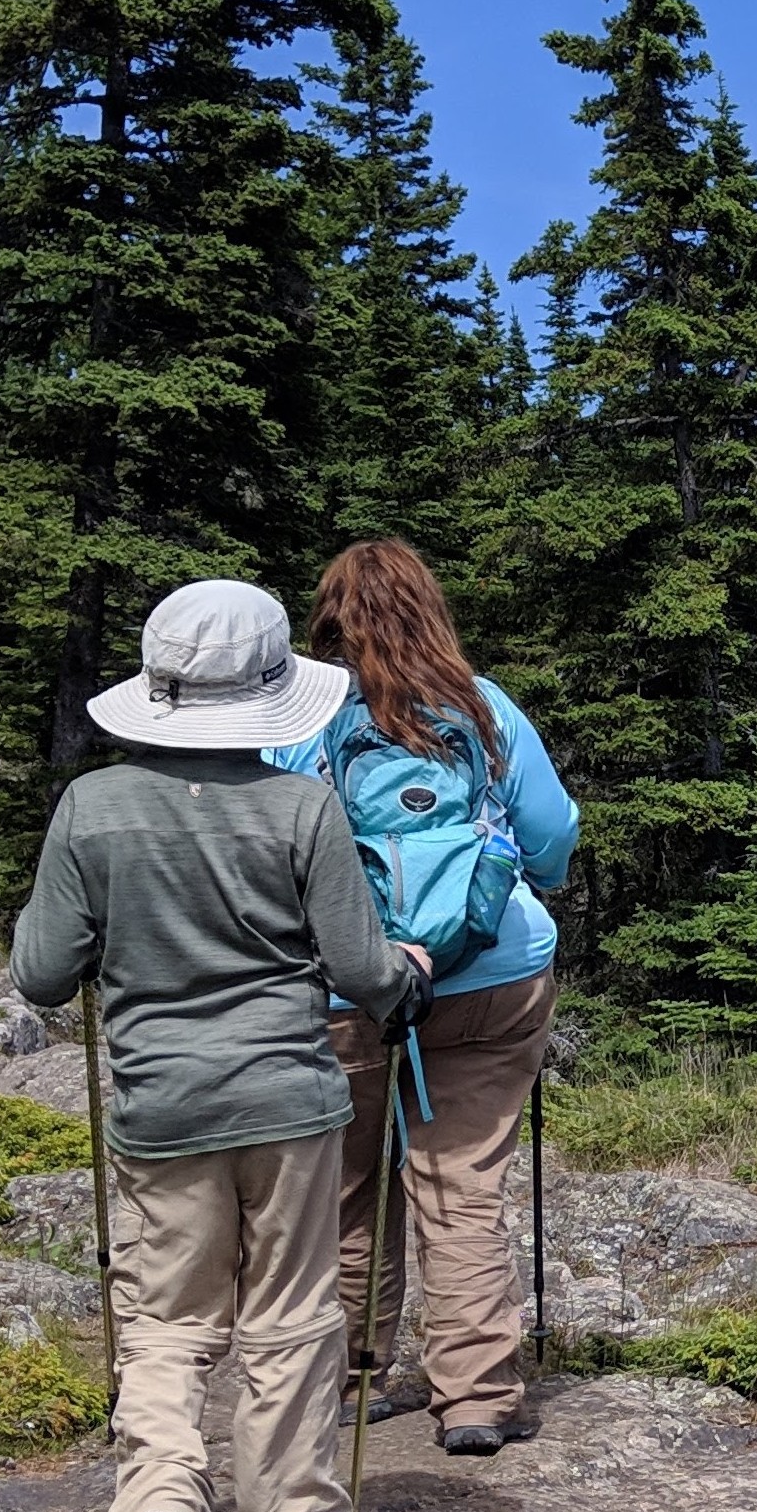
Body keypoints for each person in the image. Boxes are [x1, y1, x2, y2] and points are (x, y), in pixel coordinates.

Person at [12, 579, 433, 1512]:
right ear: (268, 693)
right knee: (291, 1324)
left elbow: (42, 974)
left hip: (162, 1108)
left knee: (163, 1321)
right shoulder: (302, 806)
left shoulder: (92, 809)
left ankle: (160, 1500)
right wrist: (405, 974)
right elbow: (356, 965)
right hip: (289, 1102)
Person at [274, 539, 577, 1457]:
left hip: (354, 980)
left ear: (329, 622)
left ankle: (354, 1375)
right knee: (461, 1183)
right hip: (495, 972)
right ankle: (476, 1396)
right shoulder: (484, 708)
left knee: (351, 1185)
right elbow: (553, 838)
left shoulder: (303, 721)